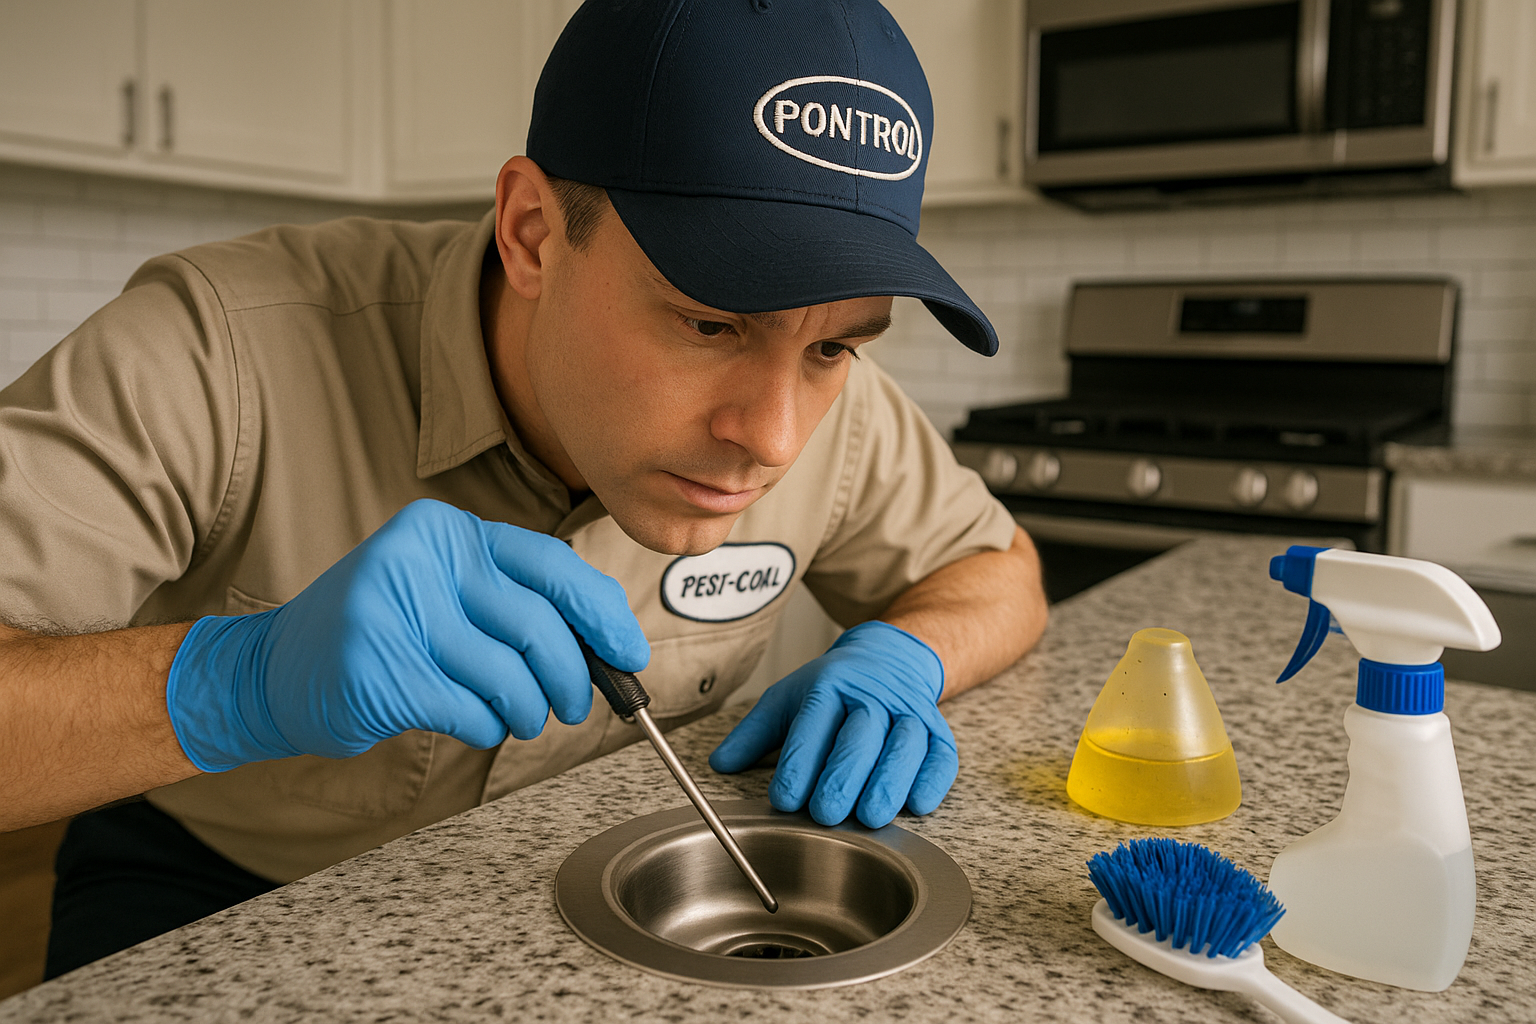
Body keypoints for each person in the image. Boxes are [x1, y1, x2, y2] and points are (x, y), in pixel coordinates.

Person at [0, 0, 1046, 977]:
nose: (771, 437)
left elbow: (997, 571)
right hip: (216, 885)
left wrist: (906, 655)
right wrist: (231, 683)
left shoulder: (836, 408)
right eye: (711, 322)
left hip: (574, 886)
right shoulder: (216, 348)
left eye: (836, 346)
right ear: (533, 231)